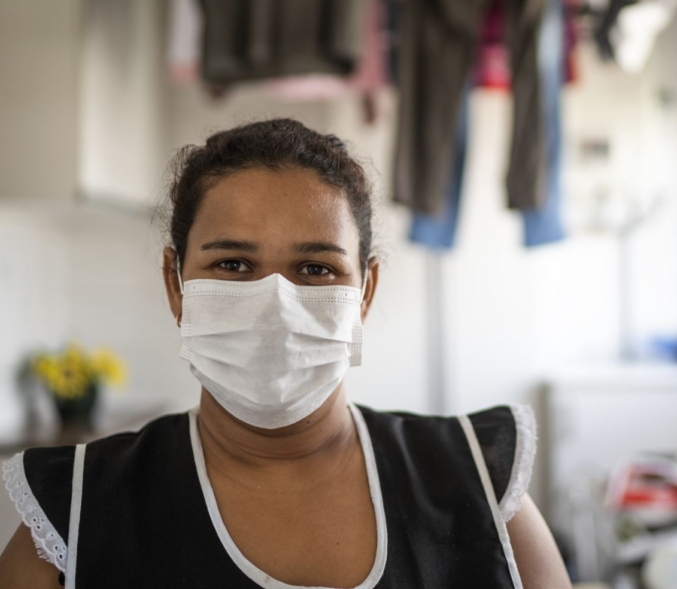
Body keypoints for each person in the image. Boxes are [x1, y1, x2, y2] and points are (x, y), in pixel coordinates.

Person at [0, 119, 571, 588]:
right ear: (177, 286)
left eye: (316, 268)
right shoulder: (72, 511)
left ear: (364, 292)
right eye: (232, 265)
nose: (275, 302)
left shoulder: (480, 479)